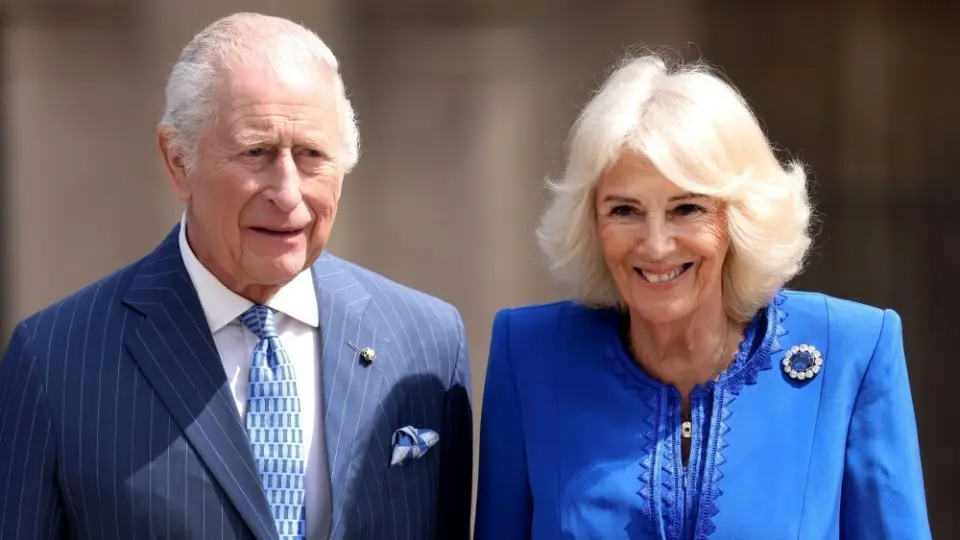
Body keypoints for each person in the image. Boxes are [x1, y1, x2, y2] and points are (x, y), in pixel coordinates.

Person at [0, 13, 472, 540]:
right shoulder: (56, 359)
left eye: (312, 154)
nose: (288, 194)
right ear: (177, 161)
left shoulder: (426, 342)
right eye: (256, 152)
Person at [474, 53, 931, 539]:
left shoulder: (852, 351)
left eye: (687, 208)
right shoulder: (530, 356)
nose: (655, 245)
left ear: (740, 216)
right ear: (590, 222)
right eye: (625, 210)